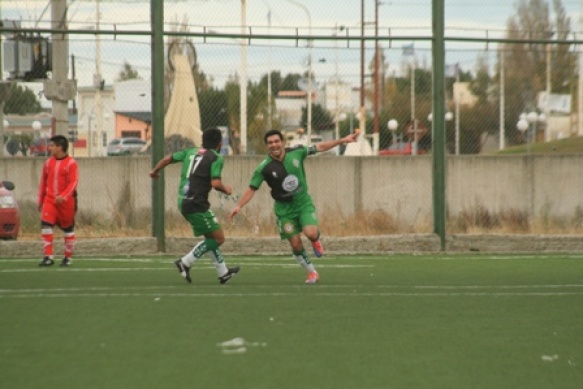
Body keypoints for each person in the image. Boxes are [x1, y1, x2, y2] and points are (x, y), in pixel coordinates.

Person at [228, 129, 358, 284]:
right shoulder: (264, 168)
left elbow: (320, 147)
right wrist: (239, 205)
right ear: (267, 146)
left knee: (311, 233)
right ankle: (312, 273)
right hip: (285, 211)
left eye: (276, 141)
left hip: (302, 203)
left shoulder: (297, 152)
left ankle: (316, 240)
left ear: (282, 142)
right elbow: (251, 189)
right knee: (295, 244)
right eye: (270, 143)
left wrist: (342, 140)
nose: (274, 145)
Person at [150, 128, 239, 284]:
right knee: (219, 238)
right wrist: (227, 190)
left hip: (184, 201)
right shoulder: (216, 157)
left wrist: (154, 171)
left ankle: (223, 272)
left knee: (210, 238)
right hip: (197, 203)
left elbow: (167, 159)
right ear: (219, 144)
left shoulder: (191, 151)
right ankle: (185, 262)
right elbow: (216, 183)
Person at [38, 135, 79, 267]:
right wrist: (40, 200)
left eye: (52, 145)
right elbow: (43, 182)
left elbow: (74, 182)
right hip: (50, 200)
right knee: (46, 225)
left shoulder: (71, 163)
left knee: (68, 229)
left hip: (66, 203)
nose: (50, 148)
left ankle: (67, 258)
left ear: (59, 147)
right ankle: (48, 256)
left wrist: (64, 196)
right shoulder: (48, 163)